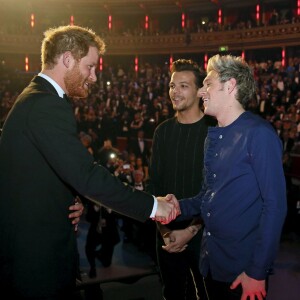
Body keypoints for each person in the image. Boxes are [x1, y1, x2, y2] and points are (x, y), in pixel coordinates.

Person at [0, 25, 179, 299]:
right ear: (68, 59)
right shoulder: (45, 104)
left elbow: (40, 175)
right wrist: (153, 205)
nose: (94, 77)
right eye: (90, 66)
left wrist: (69, 200)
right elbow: (86, 175)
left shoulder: (38, 99)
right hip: (35, 264)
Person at [170, 54, 287, 300]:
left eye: (208, 84)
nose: (202, 91)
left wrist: (257, 272)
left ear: (230, 85)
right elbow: (208, 196)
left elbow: (275, 206)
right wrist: (175, 206)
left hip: (243, 271)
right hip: (212, 263)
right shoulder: (215, 135)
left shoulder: (259, 134)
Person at [147, 59, 216, 300]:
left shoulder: (214, 130)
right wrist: (165, 232)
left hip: (205, 235)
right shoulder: (162, 131)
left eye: (183, 86)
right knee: (173, 294)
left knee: (208, 294)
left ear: (199, 91)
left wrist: (191, 229)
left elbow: (217, 191)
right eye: (172, 86)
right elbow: (153, 184)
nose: (175, 92)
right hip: (166, 235)